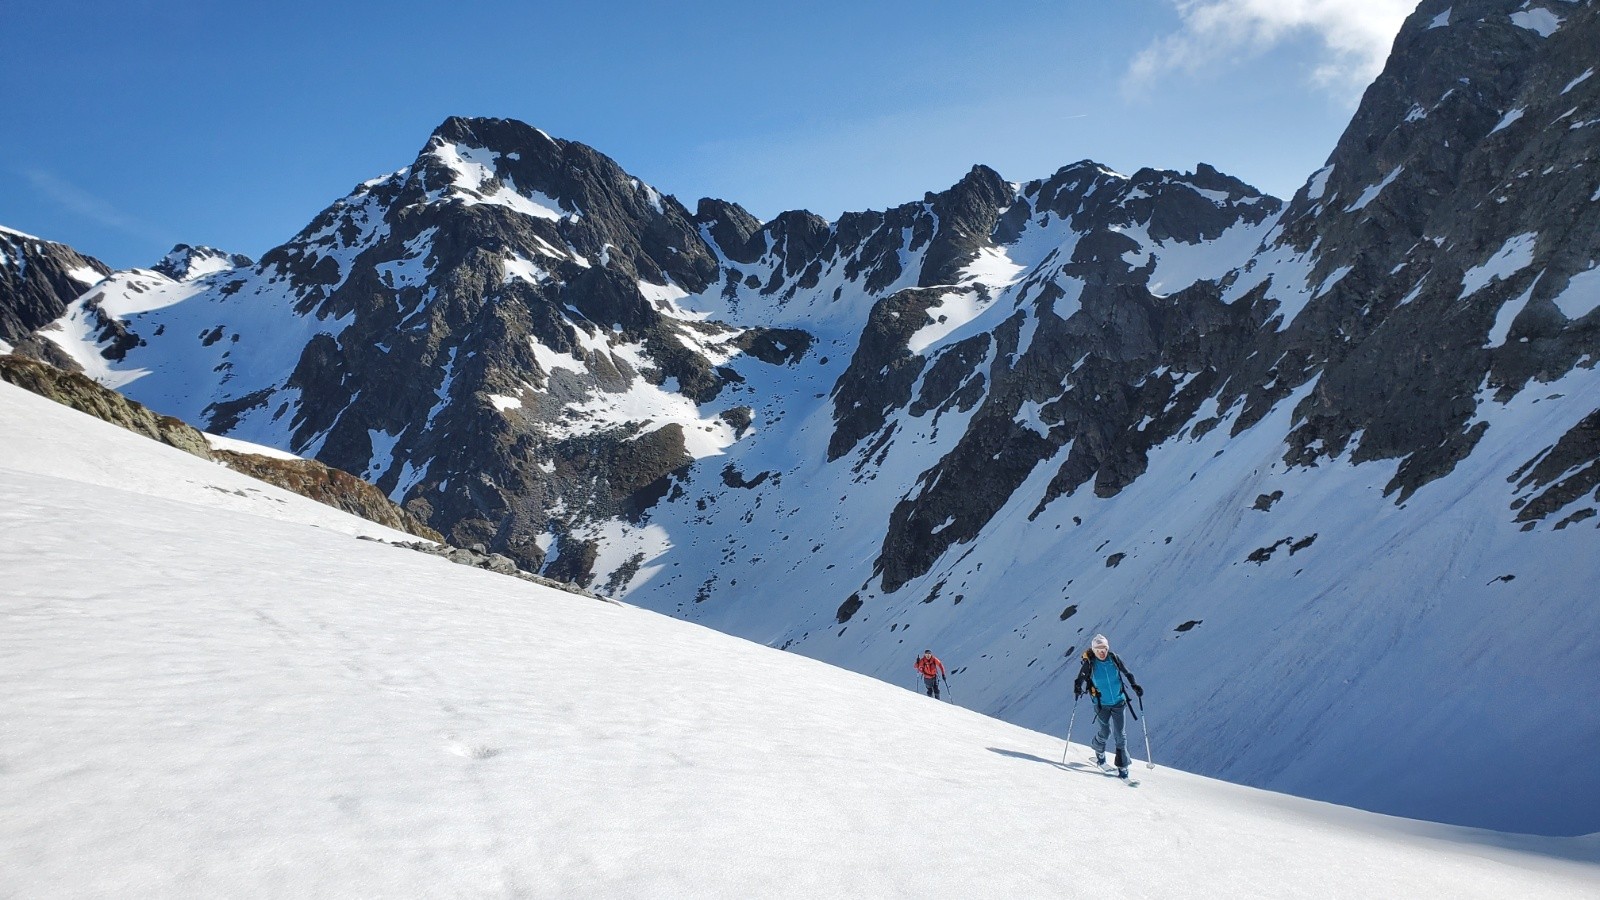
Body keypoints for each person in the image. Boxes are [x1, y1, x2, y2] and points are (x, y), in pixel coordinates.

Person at [1072, 634, 1143, 778]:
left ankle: (1123, 768)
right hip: (1101, 704)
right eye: (1098, 649)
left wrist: (1134, 685)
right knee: (1105, 732)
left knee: (1120, 736)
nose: (1101, 652)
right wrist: (1078, 686)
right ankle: (1098, 750)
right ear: (1093, 650)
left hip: (1119, 702)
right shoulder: (1090, 663)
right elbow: (1080, 677)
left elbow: (1127, 673)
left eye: (1104, 648)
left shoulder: (1114, 659)